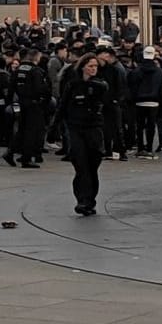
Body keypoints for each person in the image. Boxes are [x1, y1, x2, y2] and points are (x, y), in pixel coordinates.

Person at [55, 53, 107, 216]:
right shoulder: (73, 85)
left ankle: (90, 199)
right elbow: (62, 106)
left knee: (92, 166)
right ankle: (82, 200)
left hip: (94, 129)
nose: (93, 69)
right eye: (90, 66)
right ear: (83, 66)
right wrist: (54, 127)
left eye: (95, 66)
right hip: (76, 128)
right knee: (81, 166)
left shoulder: (100, 85)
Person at [128, 46, 162, 159]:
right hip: (154, 102)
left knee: (140, 126)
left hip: (139, 101)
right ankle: (149, 148)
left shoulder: (137, 71)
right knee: (151, 126)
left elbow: (132, 86)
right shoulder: (159, 71)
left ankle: (140, 148)